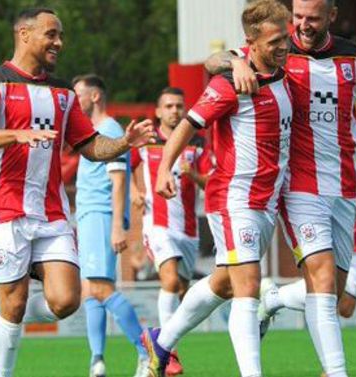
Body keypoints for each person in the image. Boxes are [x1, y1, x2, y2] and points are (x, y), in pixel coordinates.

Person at [205, 1, 356, 374]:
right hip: (300, 184)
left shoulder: (354, 57)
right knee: (320, 279)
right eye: (297, 16)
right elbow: (215, 59)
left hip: (345, 186)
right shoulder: (278, 48)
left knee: (334, 292)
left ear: (331, 16)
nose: (301, 26)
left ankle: (272, 298)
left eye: (312, 19)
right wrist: (235, 62)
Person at [0, 8, 154, 377]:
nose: (59, 42)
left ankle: (0, 317)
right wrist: (16, 134)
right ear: (24, 34)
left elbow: (91, 146)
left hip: (51, 213)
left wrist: (124, 142)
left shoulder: (63, 92)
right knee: (14, 306)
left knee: (67, 300)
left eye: (60, 35)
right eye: (51, 34)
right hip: (4, 211)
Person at [141, 2, 292, 376]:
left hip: (266, 200)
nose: (284, 45)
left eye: (286, 37)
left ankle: (160, 342)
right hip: (233, 198)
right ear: (251, 43)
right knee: (248, 287)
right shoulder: (230, 84)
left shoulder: (284, 71)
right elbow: (188, 124)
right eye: (275, 40)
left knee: (225, 282)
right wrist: (165, 170)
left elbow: (217, 57)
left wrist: (233, 58)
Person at [257, 141, 356, 328]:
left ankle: (274, 298)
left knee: (346, 307)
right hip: (329, 230)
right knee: (327, 291)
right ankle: (330, 349)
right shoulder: (321, 145)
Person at [129, 86, 211, 376]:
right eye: (169, 106)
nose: (175, 111)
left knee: (183, 293)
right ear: (158, 111)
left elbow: (210, 184)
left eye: (179, 106)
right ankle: (170, 354)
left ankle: (156, 342)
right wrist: (134, 190)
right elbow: (123, 167)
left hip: (189, 230)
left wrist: (194, 175)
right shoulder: (147, 141)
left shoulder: (197, 142)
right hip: (158, 224)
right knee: (170, 280)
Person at [72, 74, 150, 377]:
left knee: (101, 289)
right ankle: (97, 361)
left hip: (101, 217)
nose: (74, 100)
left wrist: (118, 226)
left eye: (78, 93)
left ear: (94, 97)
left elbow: (117, 180)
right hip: (92, 217)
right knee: (90, 291)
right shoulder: (96, 132)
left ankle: (147, 352)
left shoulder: (109, 130)